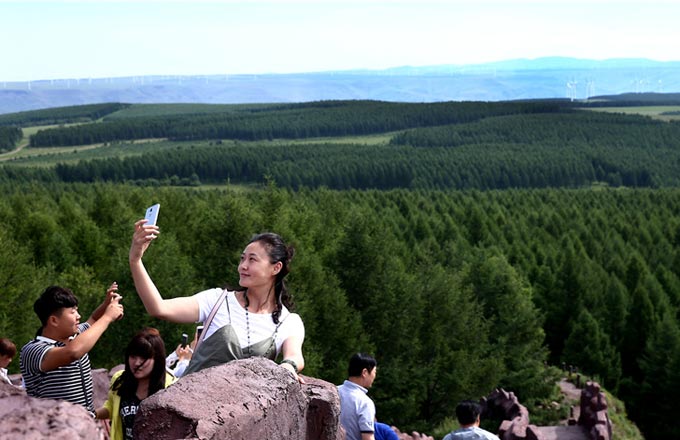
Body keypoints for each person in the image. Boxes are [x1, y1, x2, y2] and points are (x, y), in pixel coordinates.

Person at [129, 219, 305, 380]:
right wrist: (135, 261)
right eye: (242, 259)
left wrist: (288, 367)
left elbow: (294, 356)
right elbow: (159, 308)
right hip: (192, 400)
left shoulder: (288, 321)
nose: (243, 266)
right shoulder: (218, 300)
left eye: (252, 260)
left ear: (276, 268)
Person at [19, 283, 124, 415]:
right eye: (72, 312)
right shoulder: (33, 350)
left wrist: (106, 304)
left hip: (85, 423)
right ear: (54, 320)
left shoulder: (77, 336)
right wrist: (107, 317)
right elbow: (72, 353)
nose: (78, 316)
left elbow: (93, 319)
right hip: (54, 425)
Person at [96, 327, 175, 440]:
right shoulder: (120, 380)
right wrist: (91, 414)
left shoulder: (171, 387)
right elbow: (112, 407)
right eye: (133, 356)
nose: (137, 363)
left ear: (157, 359)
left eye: (144, 358)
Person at [338, 353, 379, 440]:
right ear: (364, 372)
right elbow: (368, 437)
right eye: (374, 372)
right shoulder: (365, 402)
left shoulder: (334, 391)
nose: (374, 376)